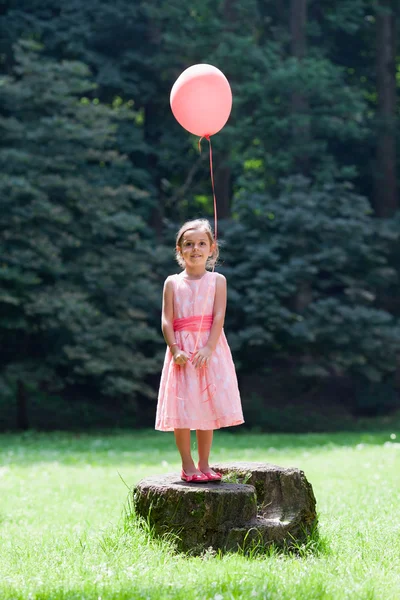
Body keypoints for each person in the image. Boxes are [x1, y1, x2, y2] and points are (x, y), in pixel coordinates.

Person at [155, 218, 244, 483]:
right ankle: (187, 465)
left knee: (207, 407)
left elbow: (218, 318)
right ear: (179, 250)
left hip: (209, 350)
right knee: (182, 409)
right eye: (189, 244)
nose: (195, 249)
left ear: (212, 248)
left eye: (202, 244)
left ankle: (205, 464)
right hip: (181, 352)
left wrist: (208, 347)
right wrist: (174, 349)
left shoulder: (218, 281)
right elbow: (166, 320)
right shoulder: (172, 282)